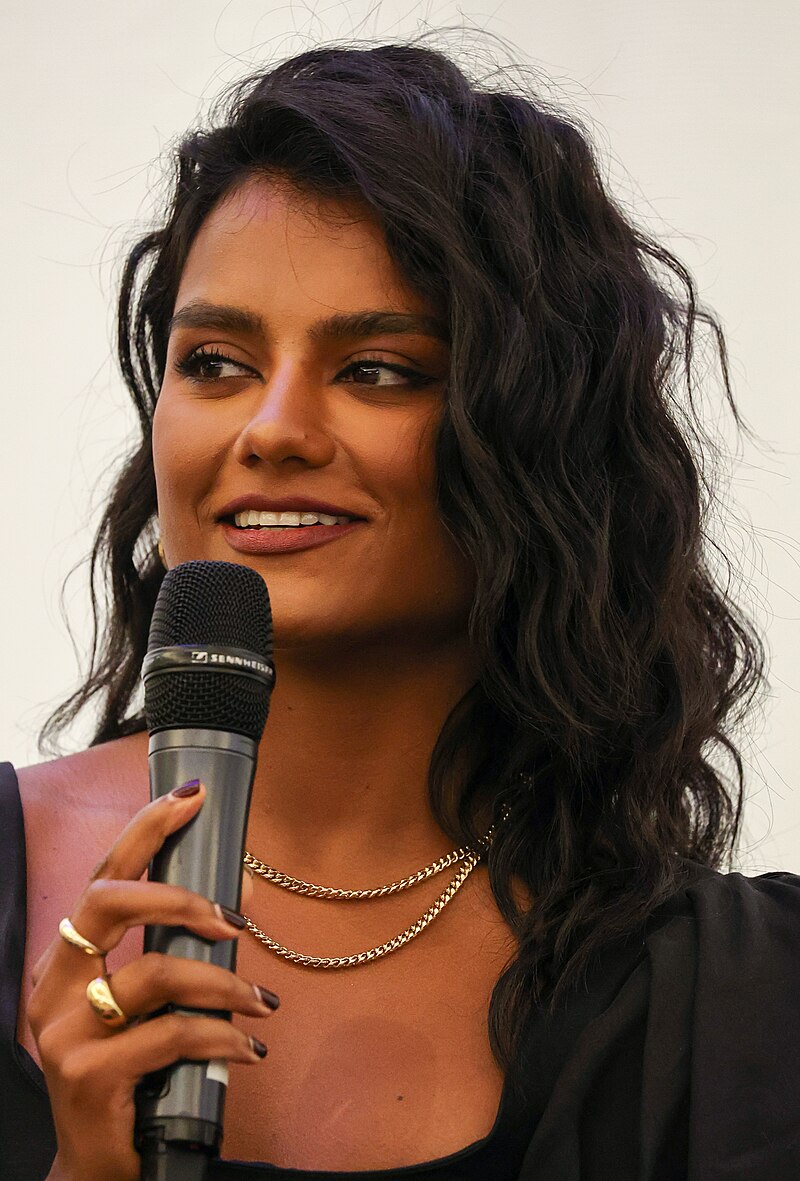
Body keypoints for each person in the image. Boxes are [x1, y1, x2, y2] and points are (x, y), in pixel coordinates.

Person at [1, 40, 798, 1181]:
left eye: (376, 369)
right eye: (216, 360)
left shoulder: (739, 1003)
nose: (271, 428)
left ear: (536, 437)